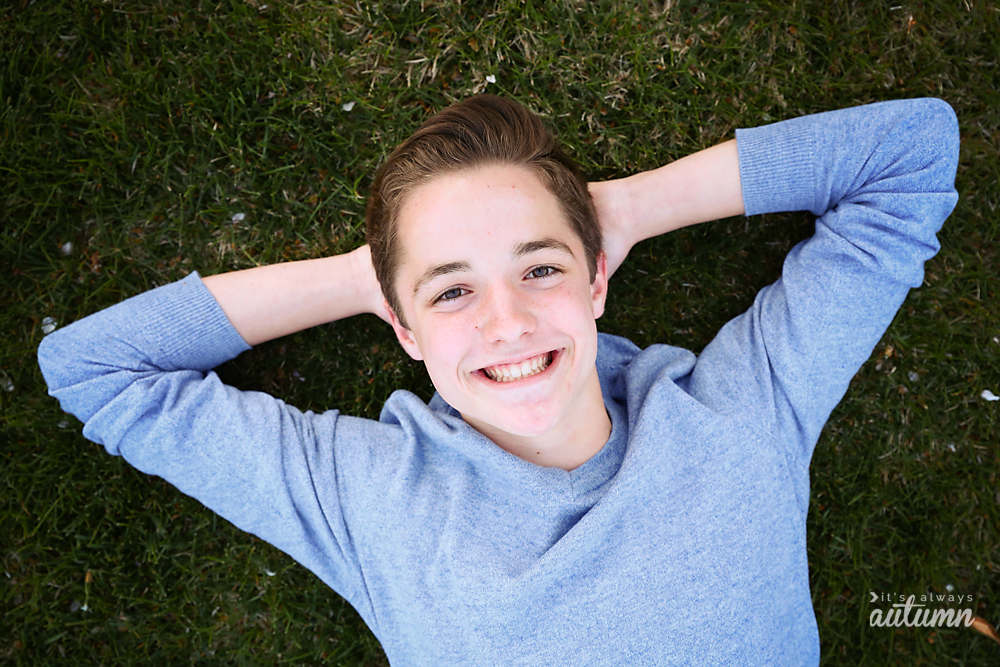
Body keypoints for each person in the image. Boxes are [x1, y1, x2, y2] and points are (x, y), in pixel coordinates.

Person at [38, 94, 959, 665]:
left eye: (542, 268)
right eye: (453, 293)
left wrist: (621, 211)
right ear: (399, 327)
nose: (507, 322)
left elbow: (911, 153)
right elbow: (94, 368)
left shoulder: (745, 410)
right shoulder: (366, 497)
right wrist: (373, 274)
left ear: (599, 275)